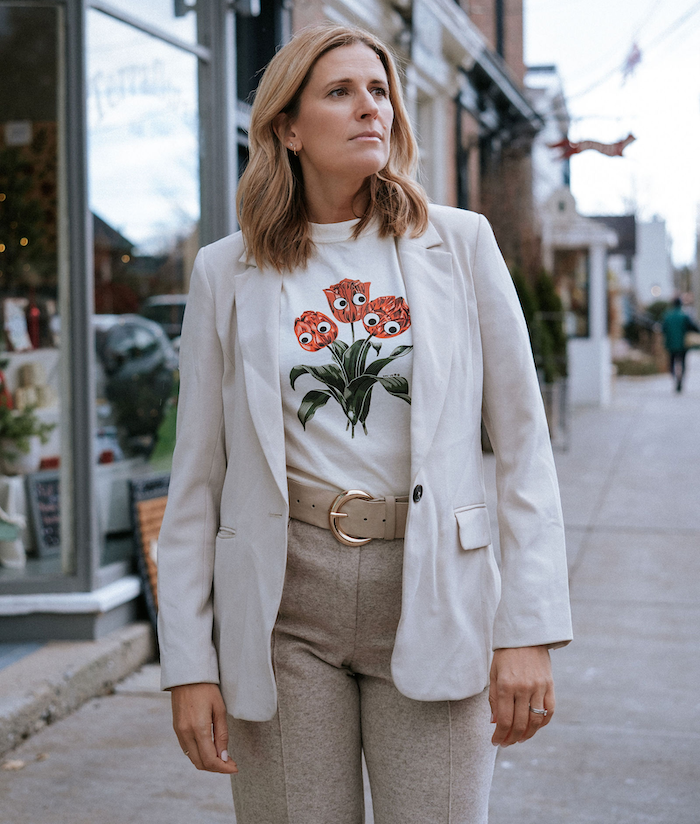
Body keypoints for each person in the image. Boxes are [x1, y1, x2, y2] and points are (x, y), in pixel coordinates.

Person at [157, 24, 573, 824]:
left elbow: (524, 447)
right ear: (287, 126)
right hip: (283, 610)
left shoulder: (460, 245)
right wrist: (189, 664)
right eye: (339, 92)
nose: (368, 109)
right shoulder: (225, 271)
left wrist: (528, 628)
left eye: (378, 91)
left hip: (434, 593)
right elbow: (197, 481)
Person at [661, 297, 700, 392]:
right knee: (682, 362)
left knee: (672, 362)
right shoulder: (684, 316)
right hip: (682, 344)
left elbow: (663, 329)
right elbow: (693, 327)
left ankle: (674, 377)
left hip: (670, 344)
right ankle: (680, 379)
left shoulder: (667, 316)